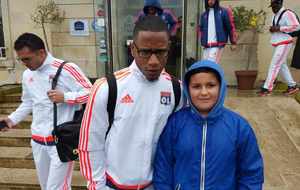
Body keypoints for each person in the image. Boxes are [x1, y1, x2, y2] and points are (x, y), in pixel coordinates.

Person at [79, 16, 182, 190]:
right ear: (133, 49)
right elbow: (89, 144)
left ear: (168, 49)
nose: (154, 61)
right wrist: (97, 186)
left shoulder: (176, 89)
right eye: (145, 52)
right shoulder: (107, 87)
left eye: (160, 52)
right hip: (112, 185)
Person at [153, 59, 264, 190]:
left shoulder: (239, 127)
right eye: (196, 86)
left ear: (221, 86)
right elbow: (163, 168)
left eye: (211, 85)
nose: (204, 92)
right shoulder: (175, 123)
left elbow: (251, 174)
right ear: (187, 89)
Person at [0, 33, 92, 190]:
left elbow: (91, 93)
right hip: (37, 141)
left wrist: (66, 97)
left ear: (41, 52)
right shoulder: (27, 74)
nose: (24, 63)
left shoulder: (66, 68)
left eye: (27, 59)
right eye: (21, 59)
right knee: (46, 187)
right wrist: (11, 120)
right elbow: (28, 102)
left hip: (61, 142)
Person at [258, 0, 300, 96]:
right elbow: (276, 28)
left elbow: (297, 26)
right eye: (272, 6)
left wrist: (279, 28)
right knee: (281, 65)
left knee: (275, 64)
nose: (273, 8)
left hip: (285, 42)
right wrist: (273, 29)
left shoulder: (288, 13)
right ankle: (292, 85)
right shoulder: (275, 15)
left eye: (275, 5)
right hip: (278, 42)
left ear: (280, 4)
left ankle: (267, 88)